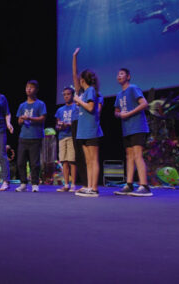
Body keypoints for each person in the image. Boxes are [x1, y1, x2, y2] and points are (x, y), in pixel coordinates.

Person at [113, 68, 152, 197]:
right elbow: (116, 111)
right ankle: (129, 184)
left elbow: (144, 103)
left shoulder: (133, 88)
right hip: (127, 128)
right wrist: (120, 114)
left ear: (128, 77)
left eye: (122, 74)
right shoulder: (119, 94)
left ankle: (144, 186)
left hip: (137, 126)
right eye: (118, 74)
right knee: (129, 156)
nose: (119, 76)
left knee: (137, 155)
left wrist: (129, 113)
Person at [72, 49, 104, 197]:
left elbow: (91, 108)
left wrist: (78, 101)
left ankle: (94, 187)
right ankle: (89, 186)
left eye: (80, 79)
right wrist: (74, 57)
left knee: (93, 159)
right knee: (87, 160)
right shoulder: (84, 93)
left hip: (91, 129)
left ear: (82, 80)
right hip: (83, 130)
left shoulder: (90, 90)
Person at [15, 80, 47, 193]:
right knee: (20, 162)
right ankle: (23, 183)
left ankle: (34, 184)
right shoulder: (22, 105)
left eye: (31, 87)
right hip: (23, 137)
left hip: (35, 137)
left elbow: (43, 118)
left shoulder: (40, 104)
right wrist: (22, 119)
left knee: (34, 162)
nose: (28, 89)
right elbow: (18, 121)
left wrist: (30, 118)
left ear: (36, 90)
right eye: (27, 87)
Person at [55, 87, 77, 192]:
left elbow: (77, 123)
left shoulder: (76, 108)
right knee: (64, 161)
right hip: (62, 137)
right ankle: (66, 184)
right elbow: (57, 125)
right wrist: (59, 126)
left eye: (68, 94)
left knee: (72, 160)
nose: (66, 96)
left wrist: (68, 124)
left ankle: (73, 184)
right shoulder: (60, 110)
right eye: (64, 94)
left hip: (71, 136)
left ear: (72, 95)